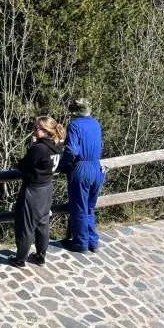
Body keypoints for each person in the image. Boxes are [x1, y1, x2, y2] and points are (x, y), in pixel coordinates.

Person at [9, 116, 65, 268]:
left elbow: (23, 165)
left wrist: (32, 147)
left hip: (33, 190)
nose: (34, 129)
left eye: (36, 127)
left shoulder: (39, 148)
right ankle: (40, 255)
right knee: (43, 223)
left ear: (44, 130)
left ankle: (20, 258)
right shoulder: (57, 145)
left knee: (26, 225)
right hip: (46, 188)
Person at [60, 98, 105, 252]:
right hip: (96, 167)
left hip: (81, 169)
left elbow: (72, 150)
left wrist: (63, 163)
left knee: (78, 206)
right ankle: (93, 242)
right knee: (89, 207)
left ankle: (80, 243)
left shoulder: (74, 125)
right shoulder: (96, 123)